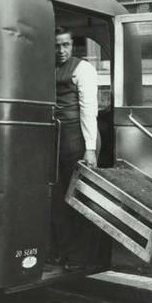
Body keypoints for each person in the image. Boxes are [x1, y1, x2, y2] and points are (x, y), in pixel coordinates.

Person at [51, 26, 100, 273]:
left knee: (76, 199)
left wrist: (89, 149)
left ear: (73, 45)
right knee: (57, 200)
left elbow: (89, 110)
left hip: (76, 140)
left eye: (65, 45)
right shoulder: (45, 68)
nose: (61, 50)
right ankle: (63, 251)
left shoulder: (83, 69)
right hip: (54, 140)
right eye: (57, 45)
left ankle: (81, 256)